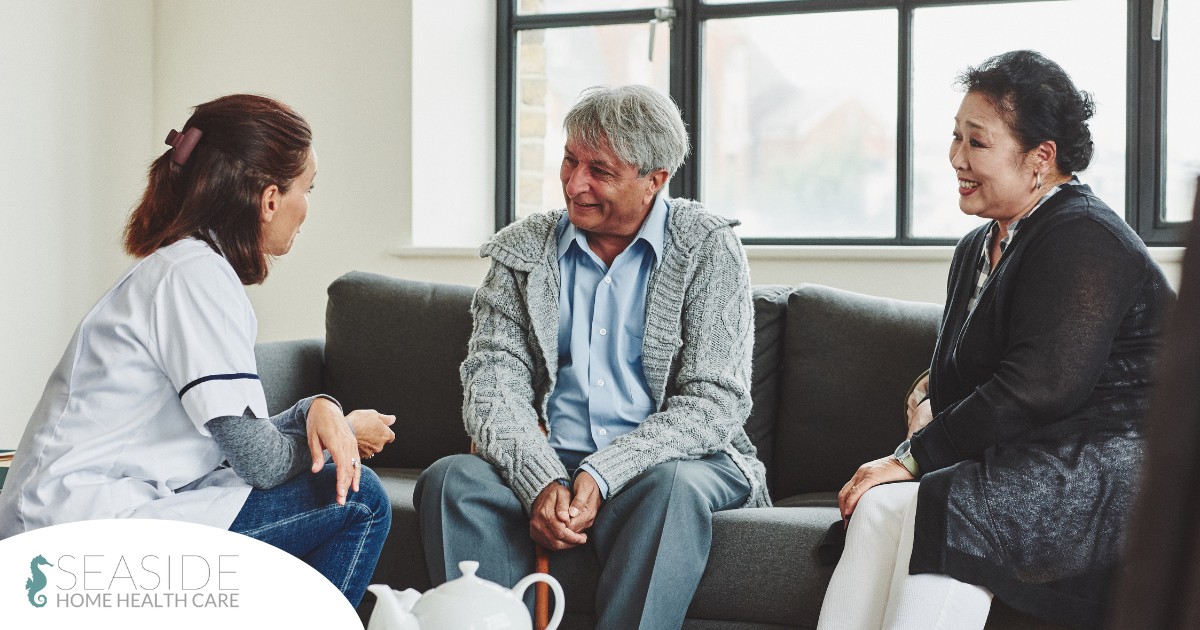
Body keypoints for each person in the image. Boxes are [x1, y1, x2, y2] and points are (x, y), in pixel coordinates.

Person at [816, 50, 1175, 630]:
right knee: (879, 507)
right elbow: (957, 368)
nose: (955, 157)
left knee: (953, 505)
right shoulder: (976, 248)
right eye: (955, 137)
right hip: (1034, 451)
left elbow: (1039, 387)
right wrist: (926, 396)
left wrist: (914, 456)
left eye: (977, 142)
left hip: (1115, 464)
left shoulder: (1084, 236)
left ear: (1040, 158)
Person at [0, 94, 395, 607]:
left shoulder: (186, 268)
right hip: (77, 537)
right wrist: (342, 436)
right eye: (308, 189)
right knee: (360, 499)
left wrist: (318, 411)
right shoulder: (197, 277)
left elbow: (238, 441)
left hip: (82, 517)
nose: (307, 209)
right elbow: (261, 463)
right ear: (269, 199)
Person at [415, 85, 770, 629]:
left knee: (670, 489)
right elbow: (492, 381)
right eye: (569, 160)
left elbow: (715, 402)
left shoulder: (707, 246)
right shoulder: (522, 251)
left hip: (672, 465)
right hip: (550, 462)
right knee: (452, 479)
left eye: (599, 171)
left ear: (655, 179)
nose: (574, 184)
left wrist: (603, 474)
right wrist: (541, 479)